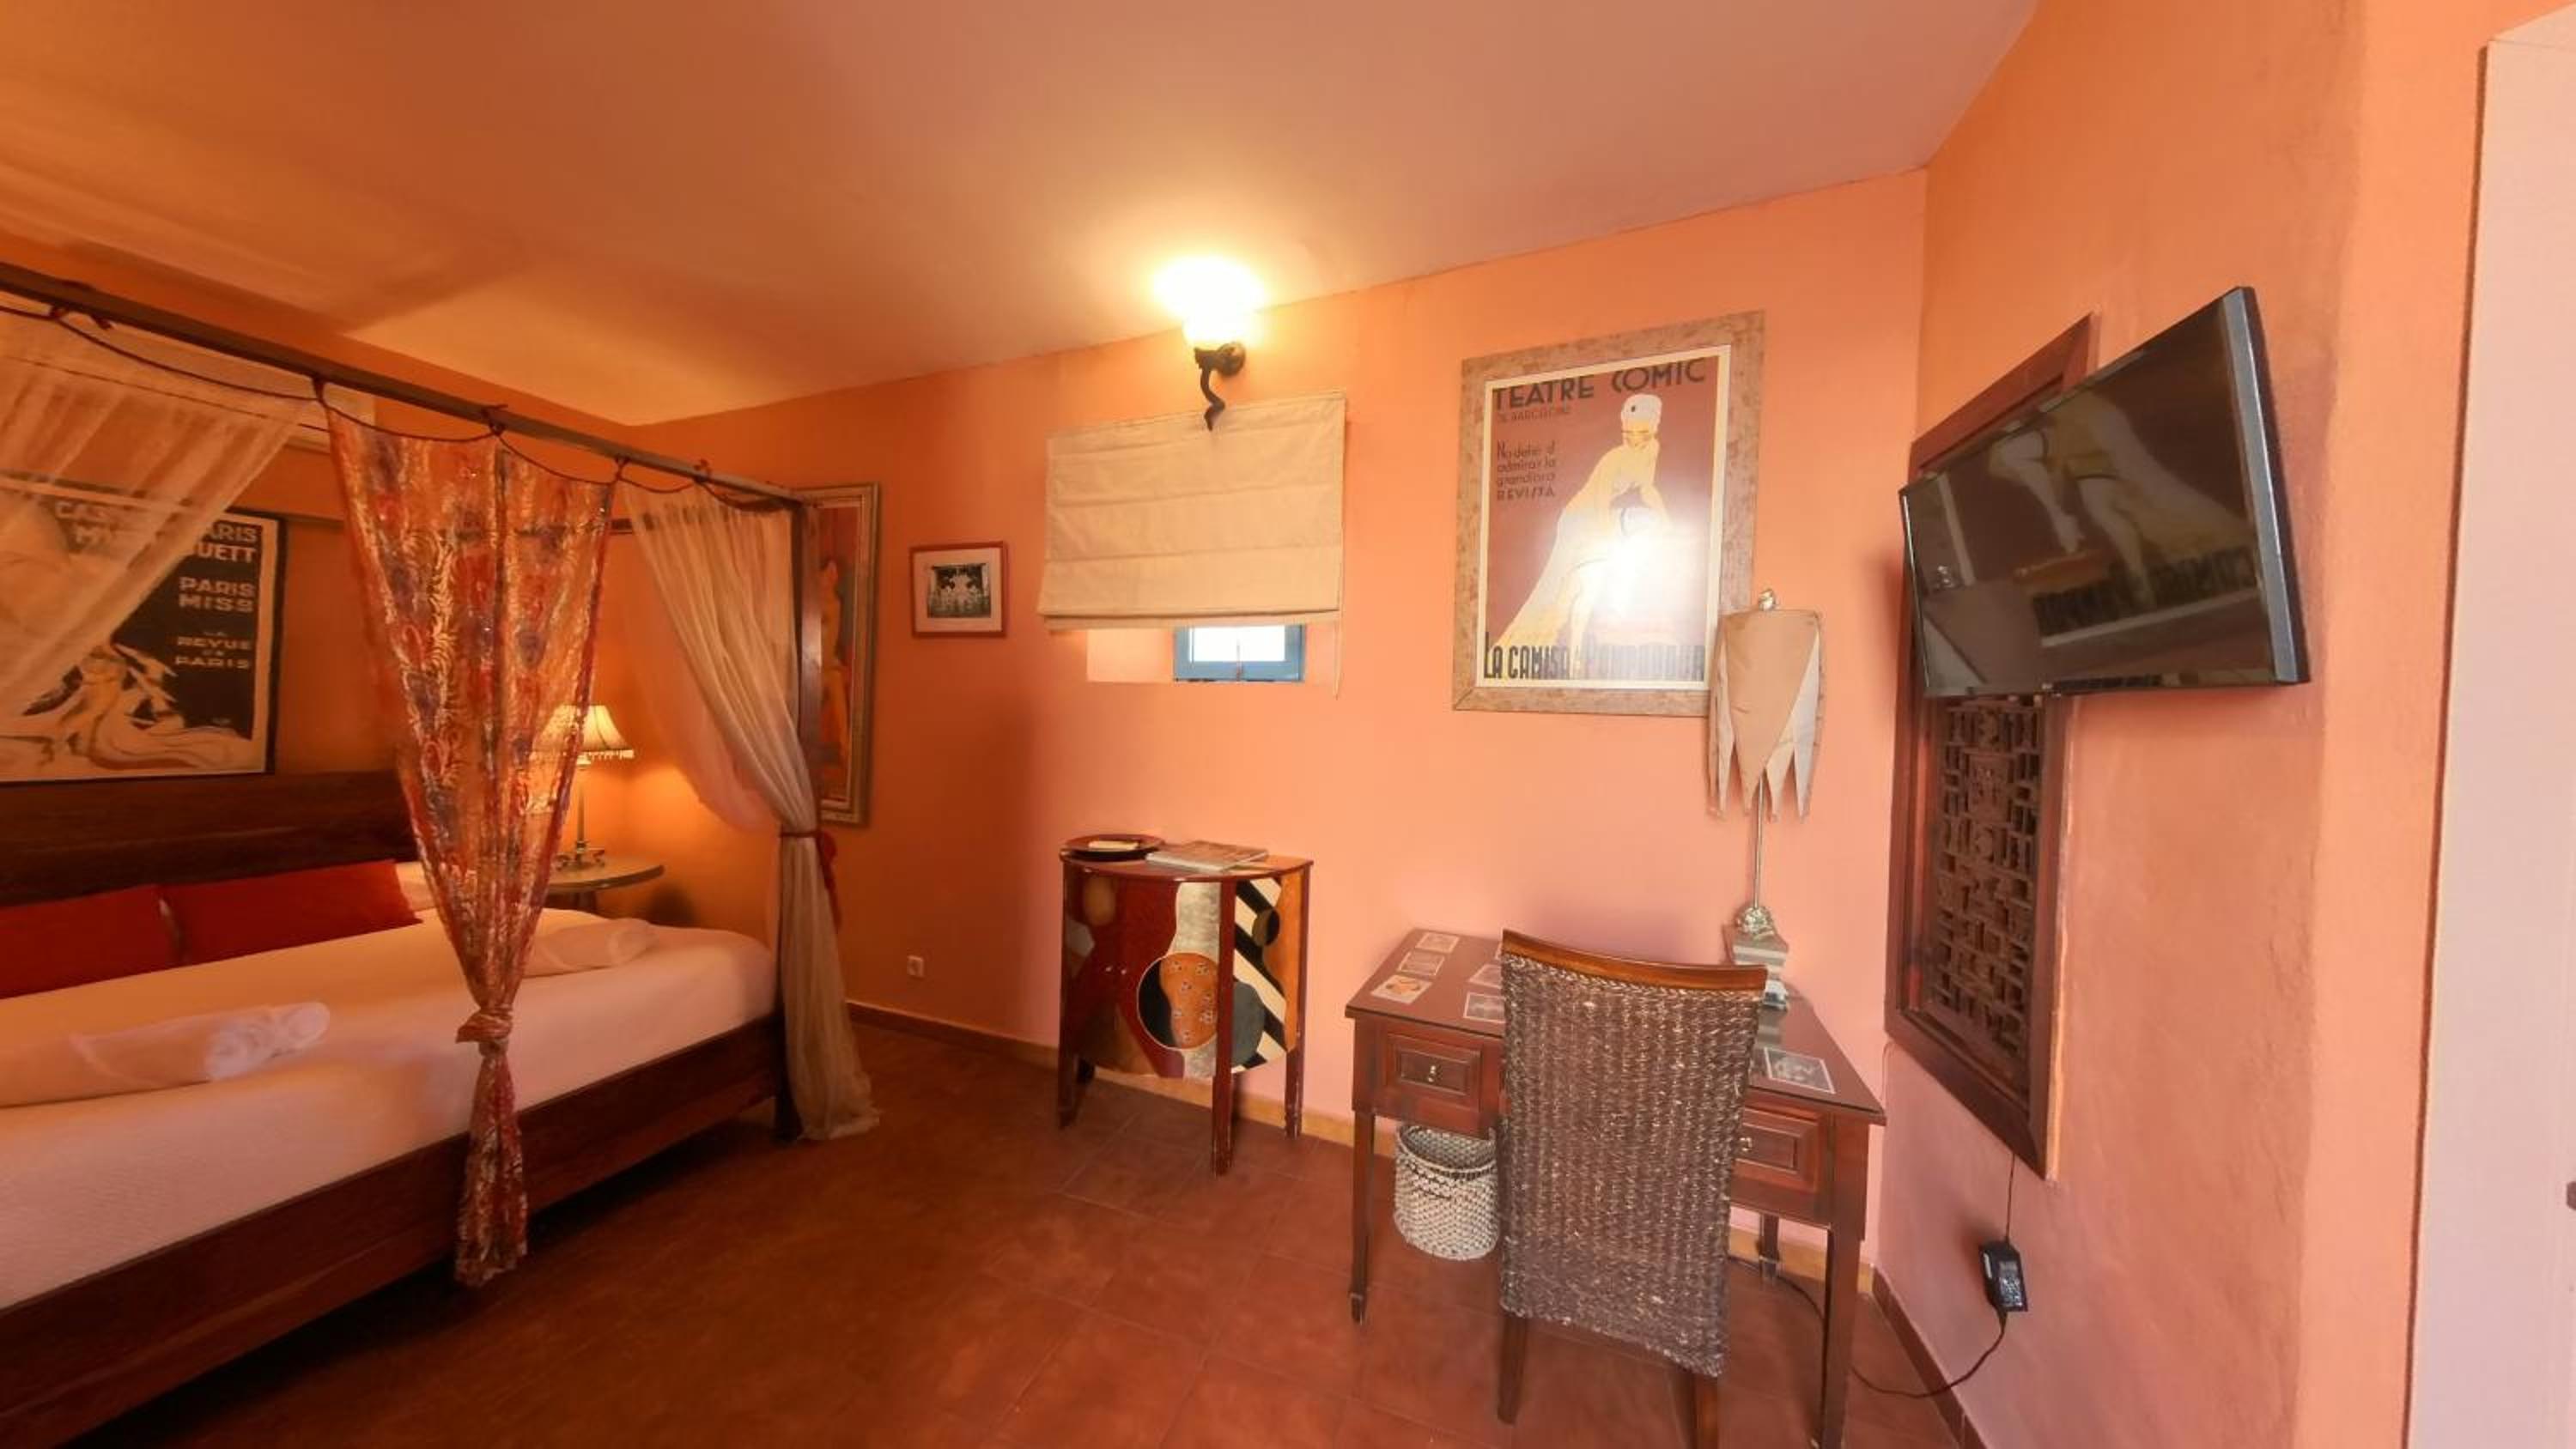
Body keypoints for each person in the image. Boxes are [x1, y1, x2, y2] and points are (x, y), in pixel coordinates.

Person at [1493, 392, 1673, 676]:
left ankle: (1574, 662)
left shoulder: (1652, 450)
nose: (1635, 440)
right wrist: (1606, 541)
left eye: (1643, 433)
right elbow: (1598, 504)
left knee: (1588, 592)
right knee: (1554, 588)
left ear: (1655, 427)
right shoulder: (1613, 459)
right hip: (1578, 520)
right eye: (1628, 434)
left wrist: (1665, 519)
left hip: (1600, 523)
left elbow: (1647, 489)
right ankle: (1517, 653)